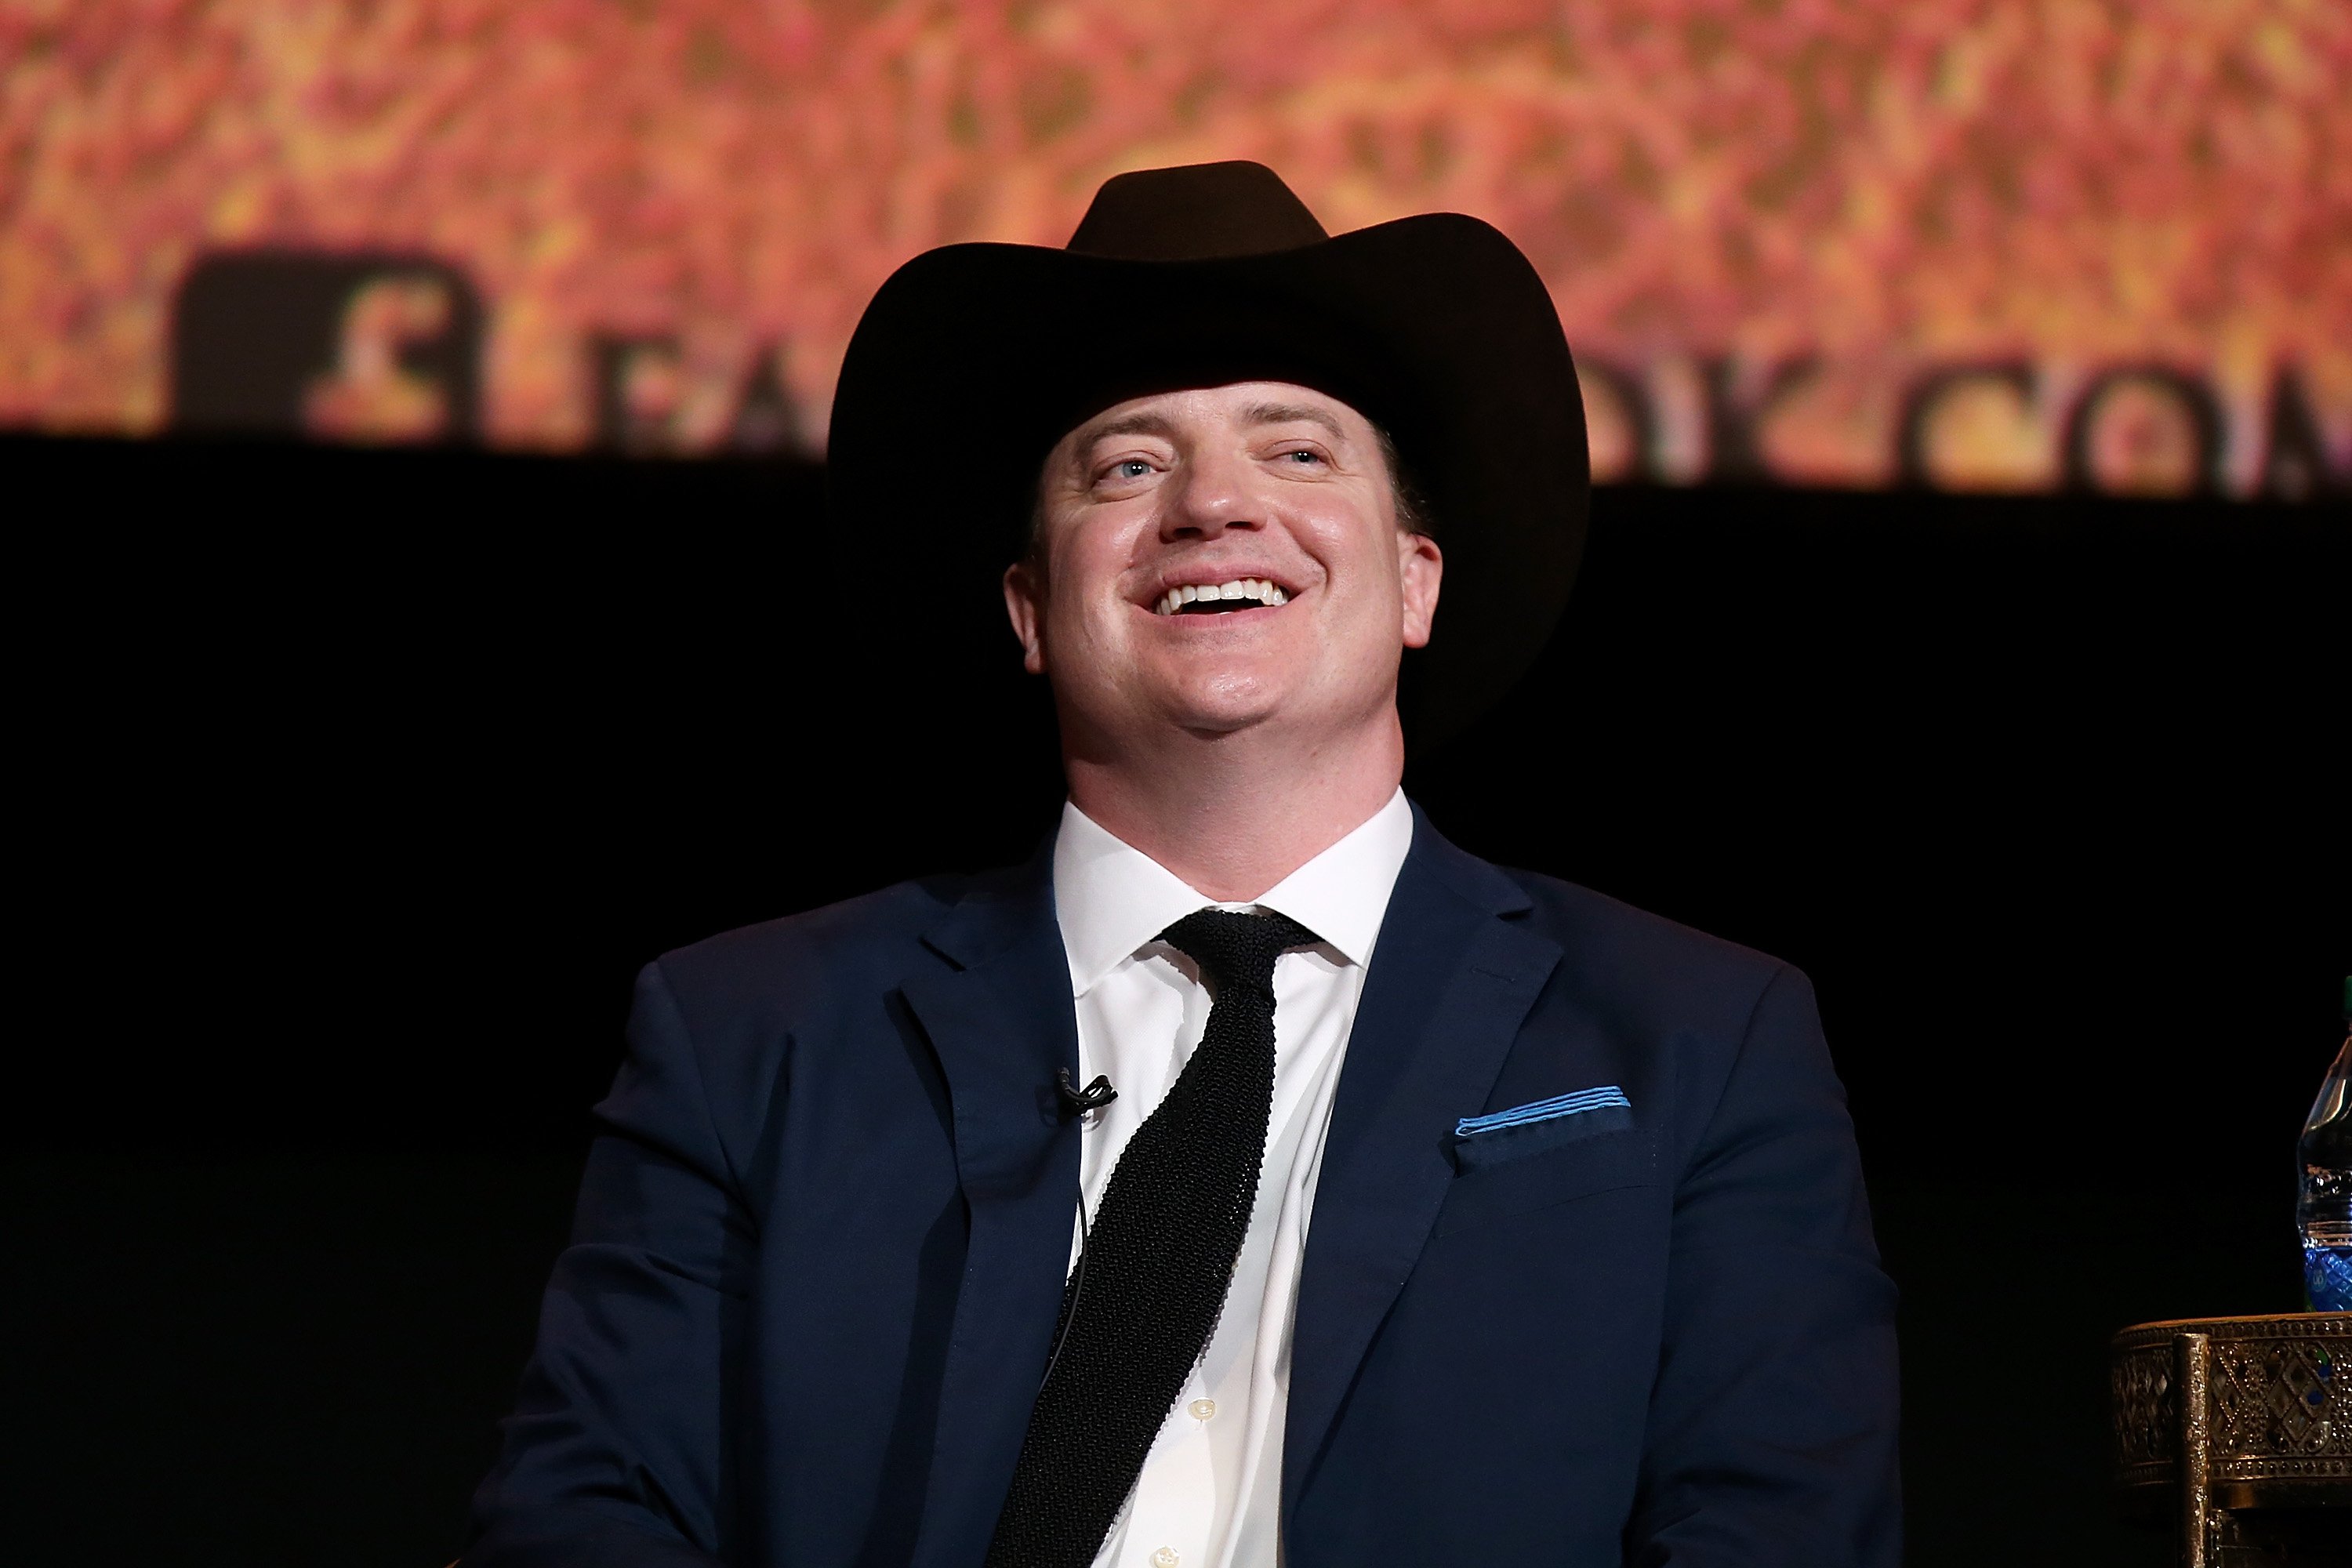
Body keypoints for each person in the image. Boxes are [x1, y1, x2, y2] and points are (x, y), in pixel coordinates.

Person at [466, 162, 1899, 1568]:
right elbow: (585, 1519)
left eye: (1296, 450)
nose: (1213, 506)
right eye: (1129, 465)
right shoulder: (753, 1036)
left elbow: (1778, 1527)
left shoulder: (1700, 1037)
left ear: (1416, 580)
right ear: (1032, 607)